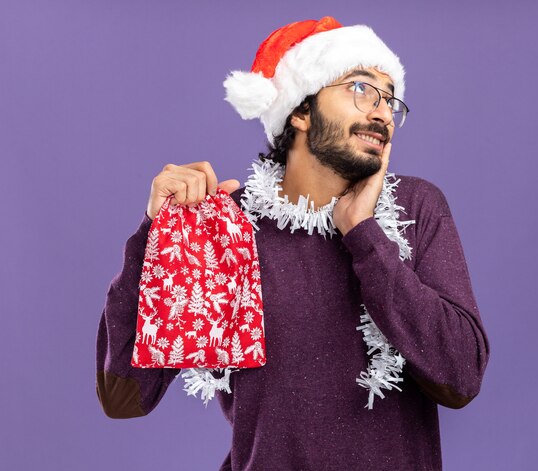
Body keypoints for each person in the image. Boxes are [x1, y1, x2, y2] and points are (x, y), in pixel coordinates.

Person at [96, 16, 490, 470]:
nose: (382, 111)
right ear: (300, 112)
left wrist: (363, 235)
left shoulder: (416, 208)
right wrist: (156, 235)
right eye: (361, 88)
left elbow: (461, 377)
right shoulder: (227, 225)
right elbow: (124, 396)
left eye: (389, 97)